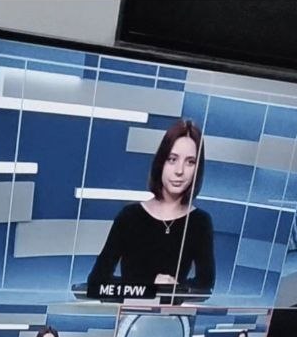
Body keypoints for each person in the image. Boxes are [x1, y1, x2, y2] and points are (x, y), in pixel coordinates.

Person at [87, 119, 215, 295]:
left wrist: (175, 289)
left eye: (190, 162)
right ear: (161, 162)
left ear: (198, 168)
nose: (179, 171)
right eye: (172, 159)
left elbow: (205, 285)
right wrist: (150, 287)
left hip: (174, 312)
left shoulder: (200, 222)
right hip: (130, 311)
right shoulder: (129, 217)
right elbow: (96, 283)